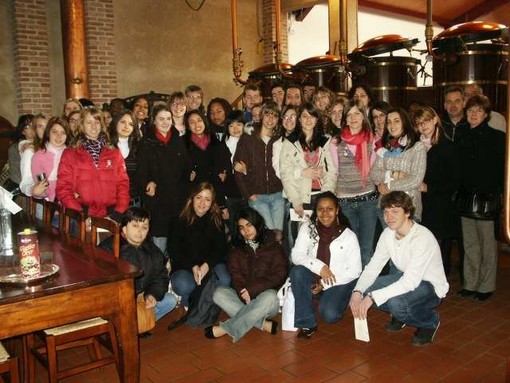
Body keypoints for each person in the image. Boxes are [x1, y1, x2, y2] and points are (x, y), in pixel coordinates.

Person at [349, 191, 449, 346]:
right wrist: (357, 292)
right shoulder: (388, 234)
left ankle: (429, 322)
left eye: (395, 211)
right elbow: (373, 267)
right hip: (407, 279)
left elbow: (410, 282)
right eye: (386, 212)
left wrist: (372, 297)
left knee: (396, 304)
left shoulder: (422, 238)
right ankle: (400, 315)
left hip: (430, 287)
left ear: (408, 212)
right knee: (365, 289)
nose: (389, 217)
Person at [205, 207, 288, 341]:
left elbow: (280, 273)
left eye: (249, 225)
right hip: (243, 297)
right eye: (242, 228)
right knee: (218, 293)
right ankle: (262, 324)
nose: (246, 231)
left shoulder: (273, 244)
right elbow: (235, 274)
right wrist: (242, 292)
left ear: (257, 224)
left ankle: (226, 328)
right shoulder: (236, 248)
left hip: (266, 301)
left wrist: (252, 289)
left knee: (270, 296)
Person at [291, 191, 361, 339]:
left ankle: (336, 299)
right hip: (315, 276)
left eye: (329, 208)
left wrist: (323, 283)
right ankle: (306, 322)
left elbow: (355, 271)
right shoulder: (308, 228)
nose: (324, 213)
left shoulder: (348, 235)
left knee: (330, 315)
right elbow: (296, 255)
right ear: (315, 211)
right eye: (320, 209)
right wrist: (319, 267)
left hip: (339, 280)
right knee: (297, 272)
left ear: (337, 210)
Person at [100, 207, 177, 337]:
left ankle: (133, 328)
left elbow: (161, 277)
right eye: (135, 225)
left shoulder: (152, 250)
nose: (140, 231)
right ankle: (124, 329)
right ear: (124, 228)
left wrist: (152, 295)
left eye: (144, 227)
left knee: (170, 301)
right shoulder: (109, 249)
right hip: (118, 301)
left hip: (141, 297)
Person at [457, 95, 505, 301]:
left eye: (478, 110)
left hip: (488, 196)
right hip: (466, 197)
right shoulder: (461, 135)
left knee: (487, 244)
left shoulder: (498, 137)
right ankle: (470, 283)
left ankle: (486, 286)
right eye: (470, 111)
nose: (473, 114)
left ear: (486, 114)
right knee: (469, 244)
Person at [135, 104, 192, 253]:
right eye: (161, 119)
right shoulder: (146, 143)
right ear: (154, 121)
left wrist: (190, 175)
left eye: (168, 119)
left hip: (177, 199)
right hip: (158, 202)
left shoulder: (177, 141)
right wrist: (148, 183)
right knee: (159, 244)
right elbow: (141, 172)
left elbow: (186, 165)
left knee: (177, 243)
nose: (166, 122)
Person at [57, 106, 130, 220]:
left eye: (97, 122)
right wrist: (80, 214)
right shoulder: (70, 153)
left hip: (111, 214)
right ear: (81, 125)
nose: (94, 126)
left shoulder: (114, 153)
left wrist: (119, 211)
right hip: (82, 214)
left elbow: (123, 184)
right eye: (89, 122)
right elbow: (63, 188)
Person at [414, 106, 460, 276]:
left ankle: (441, 282)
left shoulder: (447, 146)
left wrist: (430, 188)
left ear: (435, 120)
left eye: (426, 121)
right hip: (422, 202)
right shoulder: (417, 146)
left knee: (441, 247)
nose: (423, 126)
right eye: (419, 123)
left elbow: (455, 181)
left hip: (441, 203)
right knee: (424, 245)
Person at [169, 182, 230, 308]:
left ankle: (207, 301)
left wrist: (207, 264)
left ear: (212, 202)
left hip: (210, 264)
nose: (202, 203)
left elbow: (221, 248)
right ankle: (189, 300)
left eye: (207, 199)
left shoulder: (216, 220)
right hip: (186, 266)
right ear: (192, 199)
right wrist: (193, 266)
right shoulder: (178, 220)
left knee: (225, 279)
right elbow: (174, 250)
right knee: (183, 284)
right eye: (199, 197)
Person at [280, 102, 337, 238]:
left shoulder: (325, 141)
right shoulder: (290, 142)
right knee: (299, 239)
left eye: (312, 116)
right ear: (299, 119)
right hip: (300, 196)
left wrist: (327, 195)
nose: (308, 120)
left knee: (321, 238)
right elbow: (285, 174)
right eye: (304, 116)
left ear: (317, 119)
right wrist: (296, 201)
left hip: (320, 195)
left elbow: (331, 171)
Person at [334, 100, 378, 267]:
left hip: (368, 200)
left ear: (363, 116)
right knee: (350, 249)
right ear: (344, 118)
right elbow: (335, 172)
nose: (353, 118)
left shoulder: (372, 140)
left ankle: (364, 288)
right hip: (345, 201)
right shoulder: (336, 142)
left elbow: (375, 169)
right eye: (349, 114)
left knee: (366, 248)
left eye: (357, 113)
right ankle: (352, 286)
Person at [234, 102, 285, 237]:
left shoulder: (280, 139)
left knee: (278, 235)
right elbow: (237, 169)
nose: (270, 119)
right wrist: (248, 194)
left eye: (274, 116)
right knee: (268, 236)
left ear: (278, 119)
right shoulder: (248, 138)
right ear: (261, 116)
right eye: (267, 115)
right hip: (257, 196)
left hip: (278, 195)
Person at [370, 107, 426, 223]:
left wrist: (388, 186)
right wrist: (393, 174)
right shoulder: (385, 147)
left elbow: (415, 180)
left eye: (396, 121)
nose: (392, 125)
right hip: (386, 208)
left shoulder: (417, 146)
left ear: (404, 122)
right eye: (389, 122)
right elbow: (374, 174)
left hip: (408, 208)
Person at [212, 110, 247, 236]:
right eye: (231, 126)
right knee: (235, 231)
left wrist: (245, 170)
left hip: (250, 194)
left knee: (250, 228)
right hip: (231, 195)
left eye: (238, 124)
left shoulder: (250, 143)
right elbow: (219, 177)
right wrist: (222, 204)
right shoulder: (222, 147)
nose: (235, 128)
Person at [31, 117, 69, 202]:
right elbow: (42, 187)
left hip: (71, 205)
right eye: (54, 132)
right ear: (48, 133)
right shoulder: (39, 157)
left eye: (63, 132)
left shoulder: (72, 154)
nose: (59, 136)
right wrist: (37, 193)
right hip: (49, 205)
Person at [108, 110, 141, 206]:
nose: (126, 126)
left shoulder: (138, 147)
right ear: (115, 123)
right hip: (111, 202)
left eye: (131, 124)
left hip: (133, 201)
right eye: (123, 122)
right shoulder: (106, 146)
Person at [19, 113, 49, 196]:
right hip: (42, 200)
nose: (44, 129)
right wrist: (34, 189)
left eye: (46, 126)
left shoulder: (60, 149)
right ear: (35, 130)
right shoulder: (30, 152)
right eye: (39, 126)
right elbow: (25, 183)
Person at [4, 114, 34, 192]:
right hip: (22, 192)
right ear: (23, 131)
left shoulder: (45, 145)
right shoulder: (15, 148)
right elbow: (15, 176)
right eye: (27, 127)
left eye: (34, 125)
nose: (32, 129)